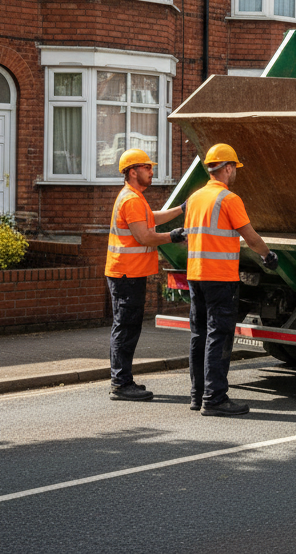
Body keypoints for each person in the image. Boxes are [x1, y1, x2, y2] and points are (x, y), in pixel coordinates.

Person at [170, 143, 277, 416]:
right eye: (235, 168)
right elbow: (250, 237)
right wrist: (268, 256)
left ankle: (197, 395)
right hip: (220, 278)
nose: (235, 173)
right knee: (218, 335)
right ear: (227, 168)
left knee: (199, 334)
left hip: (195, 275)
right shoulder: (229, 199)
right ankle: (215, 398)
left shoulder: (194, 199)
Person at [106, 148, 183, 402]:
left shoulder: (135, 198)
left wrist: (181, 209)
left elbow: (152, 219)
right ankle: (120, 383)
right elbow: (145, 236)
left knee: (127, 326)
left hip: (129, 274)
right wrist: (172, 237)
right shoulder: (130, 199)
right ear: (132, 171)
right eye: (147, 168)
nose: (152, 172)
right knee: (126, 328)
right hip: (126, 275)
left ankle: (123, 380)